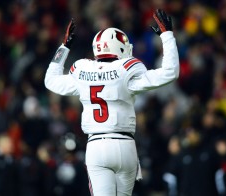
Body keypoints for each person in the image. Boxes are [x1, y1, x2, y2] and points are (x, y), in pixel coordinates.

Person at [44, 9, 180, 196]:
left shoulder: (83, 71)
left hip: (96, 146)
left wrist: (63, 47)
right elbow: (170, 72)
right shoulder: (127, 69)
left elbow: (50, 80)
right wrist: (167, 36)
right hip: (125, 145)